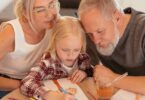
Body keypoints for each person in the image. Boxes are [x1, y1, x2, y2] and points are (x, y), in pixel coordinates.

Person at [78, 0, 145, 94]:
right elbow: (86, 66)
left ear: (117, 17)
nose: (95, 41)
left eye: (100, 31)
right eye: (89, 34)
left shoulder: (142, 29)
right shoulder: (92, 30)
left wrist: (113, 79)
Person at [0, 0, 61, 98]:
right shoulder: (10, 33)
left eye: (52, 5)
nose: (50, 14)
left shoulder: (54, 23)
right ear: (25, 13)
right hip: (8, 85)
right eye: (40, 10)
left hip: (37, 81)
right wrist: (26, 85)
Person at [20, 16, 90, 100]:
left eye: (76, 50)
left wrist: (84, 73)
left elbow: (90, 72)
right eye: (65, 50)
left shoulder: (83, 58)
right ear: (54, 43)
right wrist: (46, 94)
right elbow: (26, 82)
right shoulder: (48, 63)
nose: (71, 55)